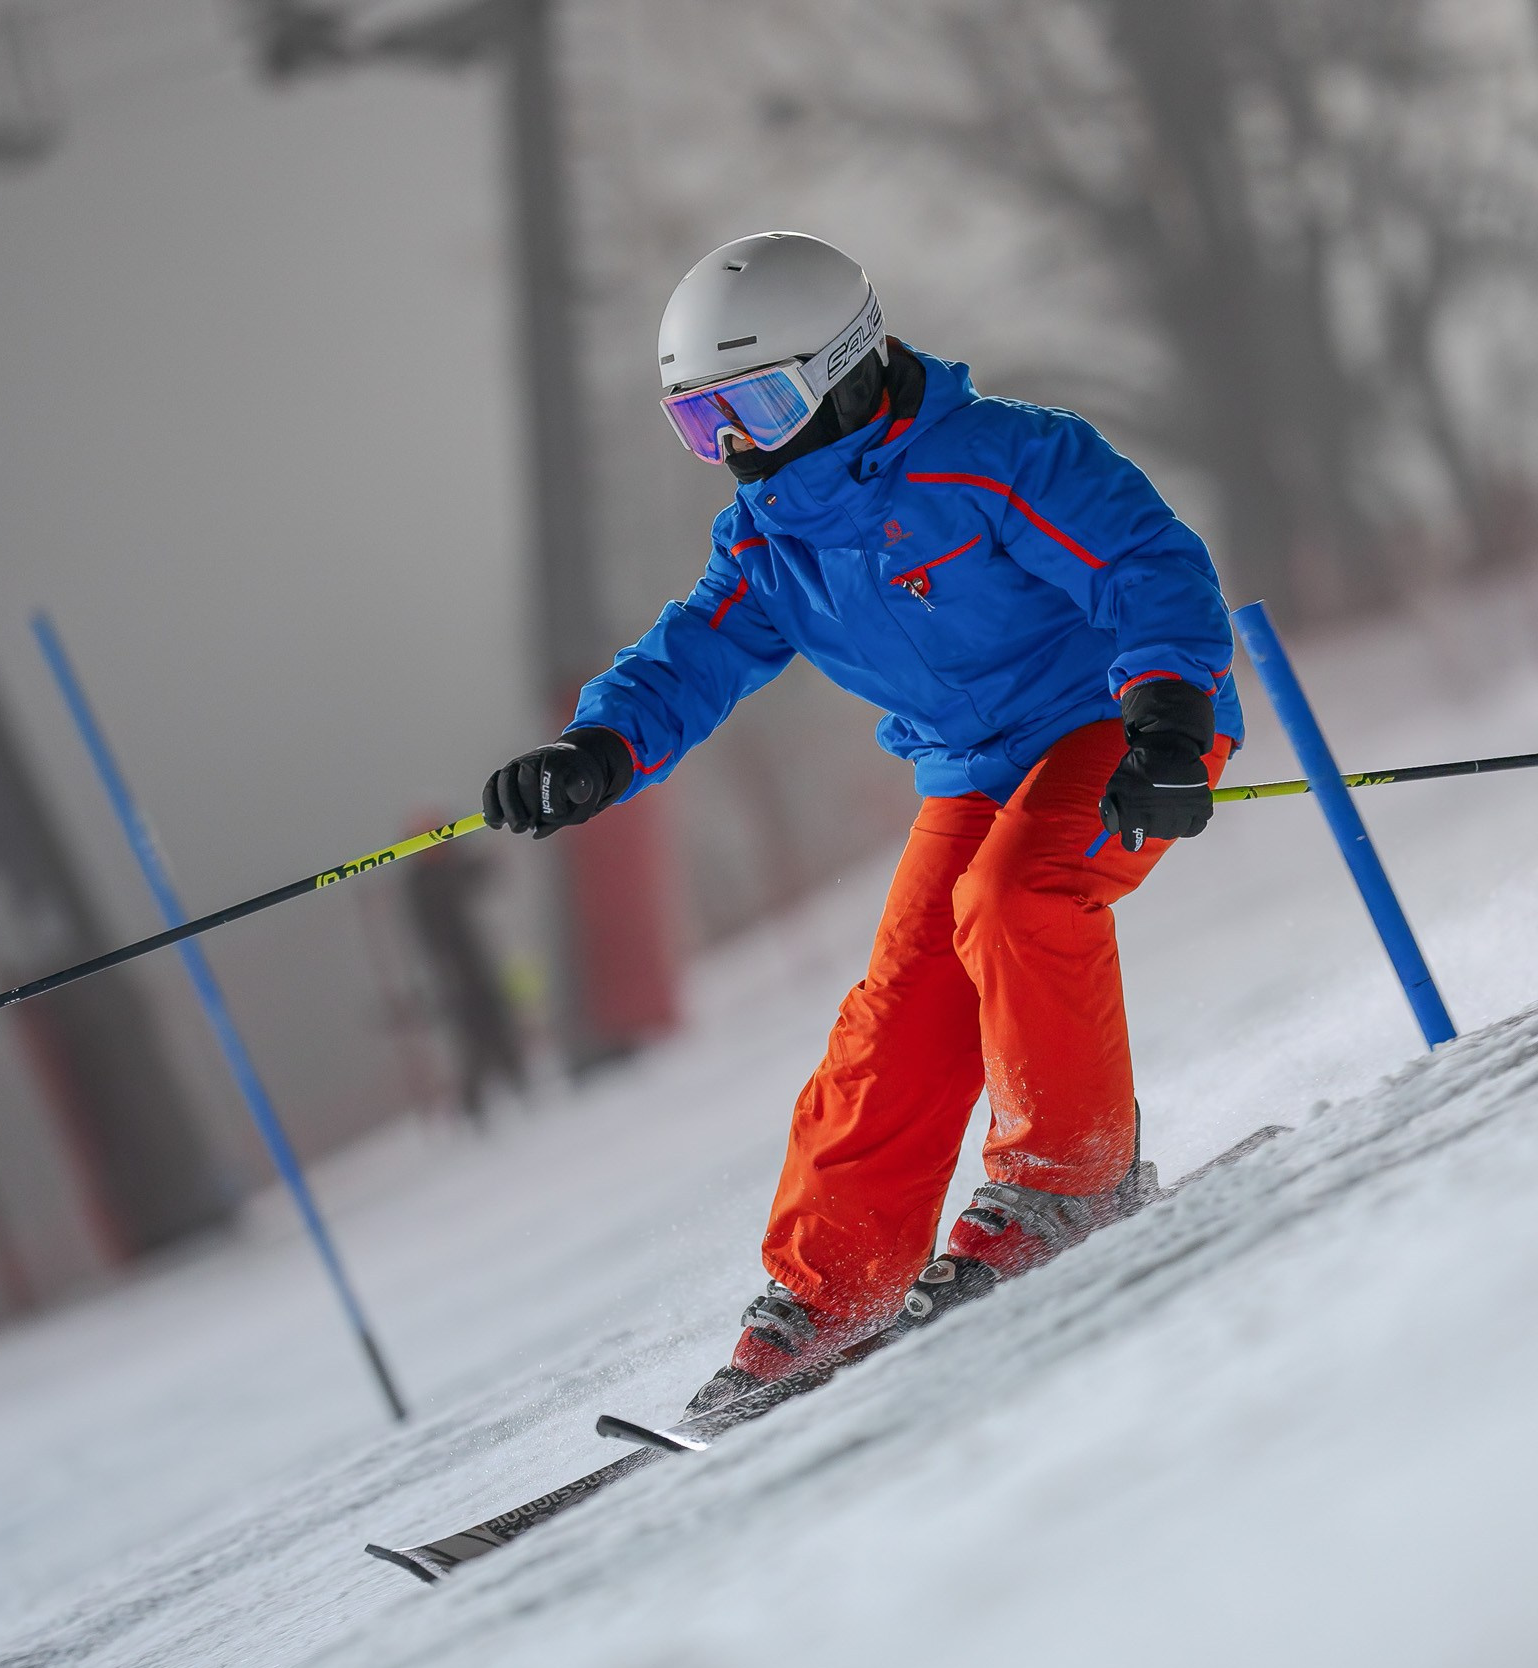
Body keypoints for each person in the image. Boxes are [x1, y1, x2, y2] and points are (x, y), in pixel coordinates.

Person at [481, 233, 1242, 1414]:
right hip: (975, 770)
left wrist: (1170, 725)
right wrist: (599, 747)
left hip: (1120, 724)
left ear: (843, 366)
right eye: (701, 423)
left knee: (1017, 899)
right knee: (903, 1000)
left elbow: (1147, 566)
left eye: (758, 405)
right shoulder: (771, 539)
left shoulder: (992, 459)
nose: (735, 445)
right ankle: (834, 1292)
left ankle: (1069, 1181)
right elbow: (697, 649)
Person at [398, 827, 526, 1124]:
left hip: (476, 960)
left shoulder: (444, 867)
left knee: (498, 1021)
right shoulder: (422, 882)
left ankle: (519, 1082)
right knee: (473, 1036)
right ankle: (474, 1104)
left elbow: (477, 873)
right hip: (452, 970)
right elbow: (453, 886)